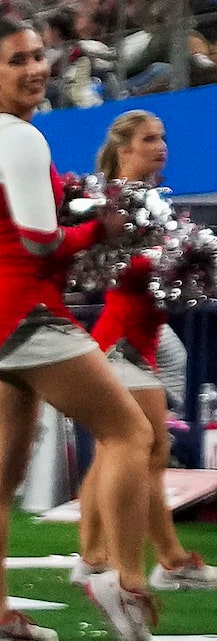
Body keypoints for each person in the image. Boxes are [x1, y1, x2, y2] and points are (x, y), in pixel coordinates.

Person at [0, 18, 157, 641]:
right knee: (131, 432)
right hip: (24, 314)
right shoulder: (19, 137)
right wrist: (104, 230)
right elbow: (40, 243)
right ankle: (119, 576)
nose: (35, 68)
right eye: (18, 60)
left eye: (40, 55)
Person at [78, 110, 217, 593]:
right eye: (147, 139)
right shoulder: (116, 201)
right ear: (124, 148)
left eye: (162, 137)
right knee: (144, 448)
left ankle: (96, 555)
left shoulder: (149, 199)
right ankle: (162, 559)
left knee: (123, 450)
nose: (160, 146)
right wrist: (179, 260)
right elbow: (115, 270)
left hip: (141, 337)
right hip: (123, 339)